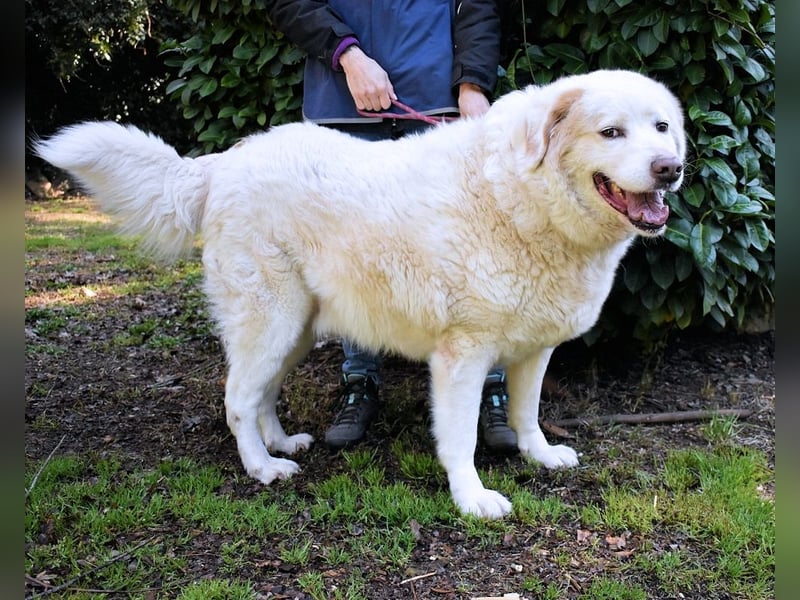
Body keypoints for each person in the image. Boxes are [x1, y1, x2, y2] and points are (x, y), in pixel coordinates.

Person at [265, 0, 517, 453]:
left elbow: (476, 6)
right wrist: (347, 54)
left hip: (443, 107)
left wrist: (474, 83)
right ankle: (360, 382)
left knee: (474, 255)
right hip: (343, 105)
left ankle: (489, 385)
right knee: (352, 256)